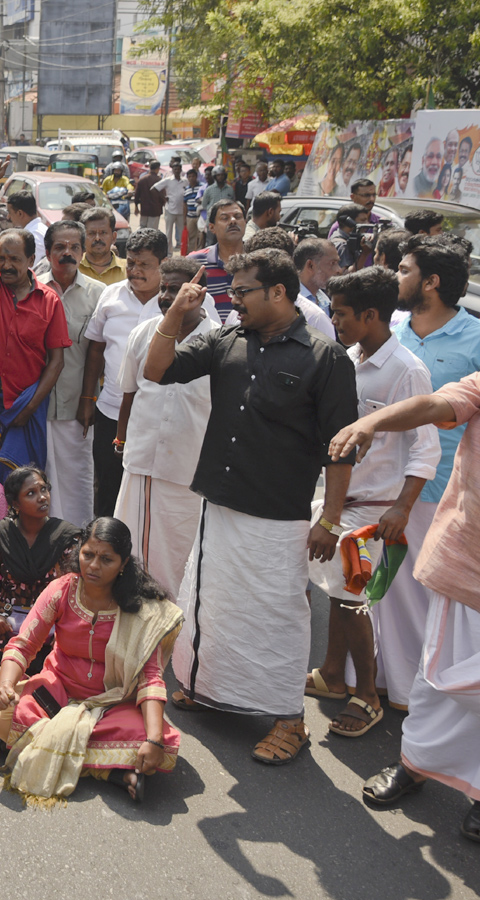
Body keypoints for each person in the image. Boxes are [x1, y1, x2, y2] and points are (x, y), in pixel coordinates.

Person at [143, 248, 358, 765]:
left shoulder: (326, 358)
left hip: (279, 516)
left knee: (276, 617)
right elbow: (156, 369)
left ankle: (289, 719)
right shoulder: (226, 339)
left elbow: (341, 448)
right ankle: (208, 687)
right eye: (232, 290)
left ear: (278, 292)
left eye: (242, 292)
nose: (233, 300)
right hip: (220, 503)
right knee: (212, 605)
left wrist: (330, 520)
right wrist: (176, 315)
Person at [328, 371, 480, 843]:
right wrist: (371, 423)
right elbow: (434, 405)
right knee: (436, 678)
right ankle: (414, 766)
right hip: (465, 563)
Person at [302, 267, 438, 739]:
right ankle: (332, 674)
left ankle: (369, 696)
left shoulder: (408, 371)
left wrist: (401, 508)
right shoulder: (347, 357)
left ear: (371, 315)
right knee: (339, 592)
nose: (333, 321)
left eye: (341, 314)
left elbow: (426, 449)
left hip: (374, 509)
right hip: (338, 498)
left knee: (354, 598)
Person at [0, 517, 183, 804]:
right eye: (88, 554)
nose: (93, 566)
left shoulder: (139, 609)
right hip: (56, 694)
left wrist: (153, 739)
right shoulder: (62, 590)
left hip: (112, 703)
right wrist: (5, 685)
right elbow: (23, 644)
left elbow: (149, 679)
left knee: (155, 743)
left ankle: (30, 746)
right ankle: (111, 772)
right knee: (0, 712)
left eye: (106, 559)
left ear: (123, 563)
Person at [372, 235, 480, 710]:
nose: (395, 276)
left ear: (431, 283)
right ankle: (376, 679)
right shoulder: (391, 328)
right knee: (380, 589)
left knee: (421, 597)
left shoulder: (475, 338)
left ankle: (416, 695)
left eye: (404, 269)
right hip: (380, 484)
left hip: (440, 492)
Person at [83, 229, 217, 518]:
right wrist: (119, 438)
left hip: (186, 447)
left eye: (144, 264)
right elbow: (127, 390)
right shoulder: (130, 319)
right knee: (116, 504)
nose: (135, 270)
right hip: (127, 430)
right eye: (131, 263)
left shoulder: (214, 335)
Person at [0, 159, 70, 483]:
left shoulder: (49, 301)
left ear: (31, 260)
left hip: (22, 404)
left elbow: (56, 362)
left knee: (19, 482)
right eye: (1, 258)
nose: (6, 265)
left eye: (15, 259)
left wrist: (30, 407)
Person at [112, 257, 214, 598]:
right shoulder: (143, 333)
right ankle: (138, 613)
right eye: (165, 289)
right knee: (134, 550)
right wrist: (121, 440)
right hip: (142, 464)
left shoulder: (218, 340)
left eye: (177, 289)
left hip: (190, 470)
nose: (168, 297)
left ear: (199, 293)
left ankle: (176, 619)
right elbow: (129, 394)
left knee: (183, 553)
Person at [32, 220, 104, 526]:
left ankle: (76, 537)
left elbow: (97, 353)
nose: (67, 253)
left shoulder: (98, 294)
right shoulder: (30, 289)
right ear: (48, 252)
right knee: (39, 476)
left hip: (78, 405)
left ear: (83, 251)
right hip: (35, 404)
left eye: (75, 247)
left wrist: (88, 399)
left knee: (77, 477)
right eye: (60, 247)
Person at [0, 466, 81, 643]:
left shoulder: (66, 536)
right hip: (6, 623)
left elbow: (75, 590)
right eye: (31, 493)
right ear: (15, 504)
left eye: (44, 489)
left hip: (53, 622)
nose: (42, 497)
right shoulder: (1, 534)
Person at [187, 199, 246, 320]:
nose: (233, 221)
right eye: (225, 218)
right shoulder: (195, 262)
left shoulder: (258, 261)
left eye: (238, 216)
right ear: (212, 227)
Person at [76, 208, 127, 285]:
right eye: (91, 233)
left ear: (113, 237)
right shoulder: (73, 268)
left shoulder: (128, 269)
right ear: (83, 237)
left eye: (103, 233)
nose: (97, 238)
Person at [153, 158, 188, 254]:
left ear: (181, 170)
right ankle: (168, 253)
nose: (176, 171)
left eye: (178, 169)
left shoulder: (185, 181)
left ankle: (183, 253)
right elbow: (154, 188)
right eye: (175, 169)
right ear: (172, 170)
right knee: (169, 233)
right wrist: (163, 198)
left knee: (182, 233)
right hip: (170, 210)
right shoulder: (168, 180)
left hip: (181, 211)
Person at [5, 190, 48, 264]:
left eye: (9, 212)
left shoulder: (33, 236)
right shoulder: (41, 229)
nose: (8, 217)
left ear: (20, 213)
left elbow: (33, 267)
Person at [136, 160, 165, 231]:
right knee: (152, 231)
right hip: (155, 210)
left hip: (144, 210)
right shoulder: (159, 180)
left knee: (142, 229)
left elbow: (137, 195)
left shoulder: (142, 180)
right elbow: (162, 196)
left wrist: (136, 207)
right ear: (158, 169)